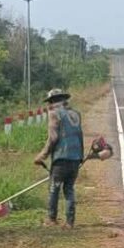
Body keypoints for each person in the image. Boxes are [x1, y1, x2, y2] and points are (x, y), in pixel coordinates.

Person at [35, 88, 84, 228]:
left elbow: (53, 138)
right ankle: (70, 222)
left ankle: (51, 219)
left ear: (52, 102)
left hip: (61, 157)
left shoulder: (54, 113)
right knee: (69, 189)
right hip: (76, 157)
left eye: (49, 102)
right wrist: (80, 156)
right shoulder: (76, 113)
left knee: (54, 188)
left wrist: (42, 155)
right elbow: (80, 135)